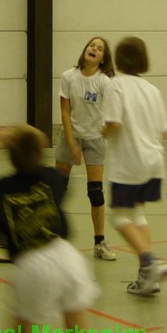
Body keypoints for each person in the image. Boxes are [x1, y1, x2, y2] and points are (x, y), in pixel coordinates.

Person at [0, 125, 99, 333]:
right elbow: (39, 148)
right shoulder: (52, 178)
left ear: (10, 157)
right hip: (68, 259)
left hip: (31, 265)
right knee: (78, 332)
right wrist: (20, 137)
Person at [102, 37, 167, 295]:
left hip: (129, 162)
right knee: (137, 215)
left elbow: (113, 124)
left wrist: (101, 132)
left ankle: (149, 261)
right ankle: (147, 279)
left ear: (118, 59)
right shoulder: (152, 90)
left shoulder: (115, 85)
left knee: (119, 216)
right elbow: (163, 130)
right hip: (154, 161)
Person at [55, 37, 116, 261]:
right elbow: (64, 112)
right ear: (85, 50)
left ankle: (99, 243)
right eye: (92, 45)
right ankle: (53, 240)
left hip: (94, 140)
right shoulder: (68, 77)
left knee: (95, 193)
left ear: (102, 59)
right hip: (70, 135)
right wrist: (71, 143)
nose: (94, 49)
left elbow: (113, 113)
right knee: (58, 188)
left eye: (99, 49)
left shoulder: (104, 82)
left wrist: (108, 132)